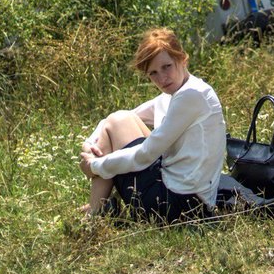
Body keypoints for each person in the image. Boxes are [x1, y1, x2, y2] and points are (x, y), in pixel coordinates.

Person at [78, 28, 226, 222]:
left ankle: (95, 213)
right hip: (185, 199)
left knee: (118, 121)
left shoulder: (191, 96)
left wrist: (95, 166)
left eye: (167, 67)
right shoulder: (179, 92)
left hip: (180, 206)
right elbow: (121, 118)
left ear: (182, 59)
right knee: (119, 119)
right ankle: (98, 207)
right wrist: (89, 144)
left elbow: (146, 154)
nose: (162, 78)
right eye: (153, 73)